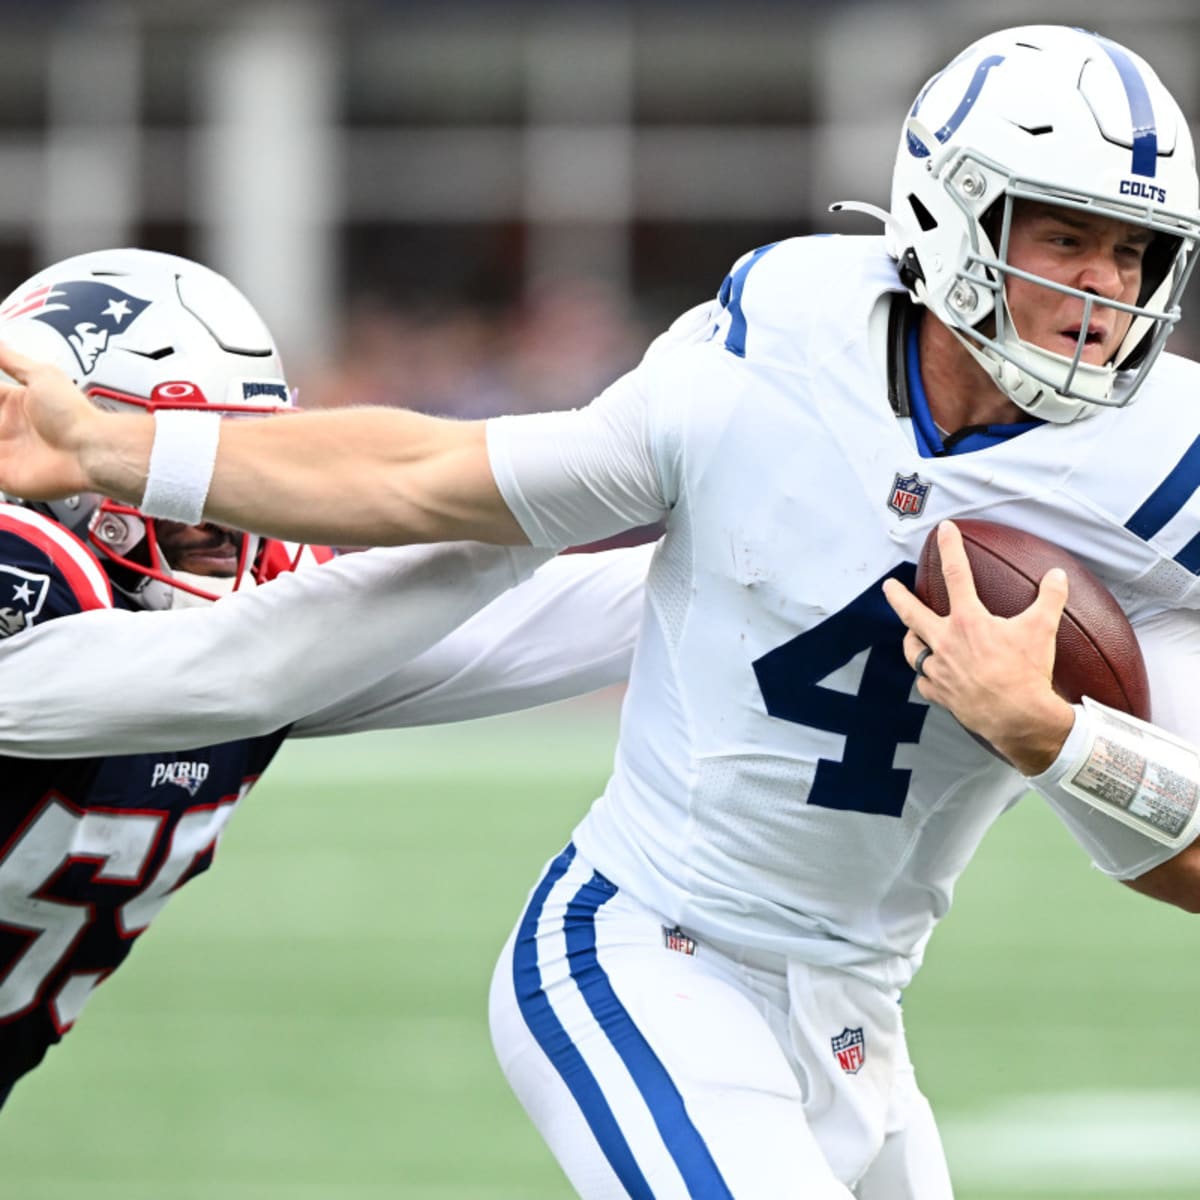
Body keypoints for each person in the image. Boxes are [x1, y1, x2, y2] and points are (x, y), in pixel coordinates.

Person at [1, 23, 1200, 1197]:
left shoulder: (1162, 471)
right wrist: (113, 448)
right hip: (649, 953)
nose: (1100, 291)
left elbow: (1187, 854)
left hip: (855, 1015)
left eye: (1134, 253)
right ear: (955, 216)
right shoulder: (778, 342)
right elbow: (432, 492)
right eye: (1065, 237)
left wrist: (1061, 741)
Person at [0, 247, 653, 1112]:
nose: (222, 496)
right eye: (162, 450)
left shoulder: (261, 618)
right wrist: (593, 466)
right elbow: (240, 671)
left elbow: (543, 626)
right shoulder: (38, 579)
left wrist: (806, 569)